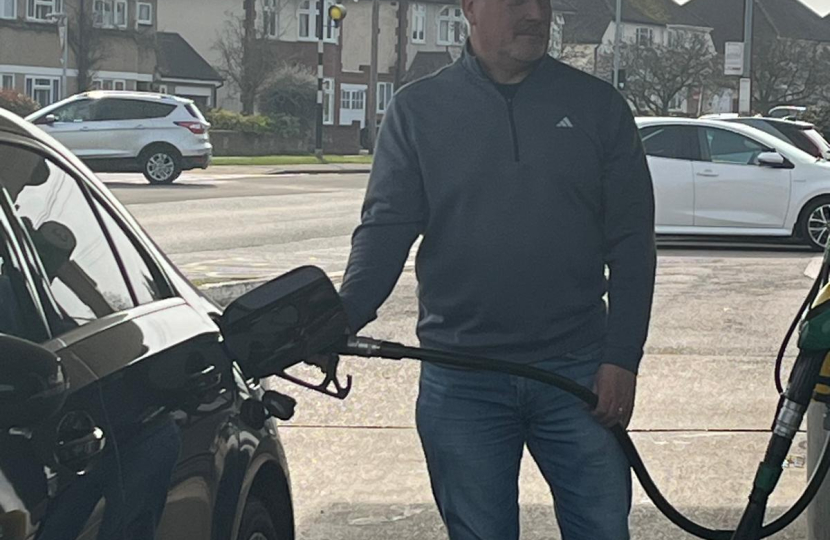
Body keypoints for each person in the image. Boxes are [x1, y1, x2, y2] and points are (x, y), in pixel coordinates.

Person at [335, 0, 656, 538]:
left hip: (577, 372)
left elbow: (631, 243)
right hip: (462, 380)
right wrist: (341, 316)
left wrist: (622, 358)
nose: (535, 14)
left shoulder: (598, 107)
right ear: (470, 8)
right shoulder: (419, 110)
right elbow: (386, 229)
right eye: (515, 1)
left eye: (544, 1)